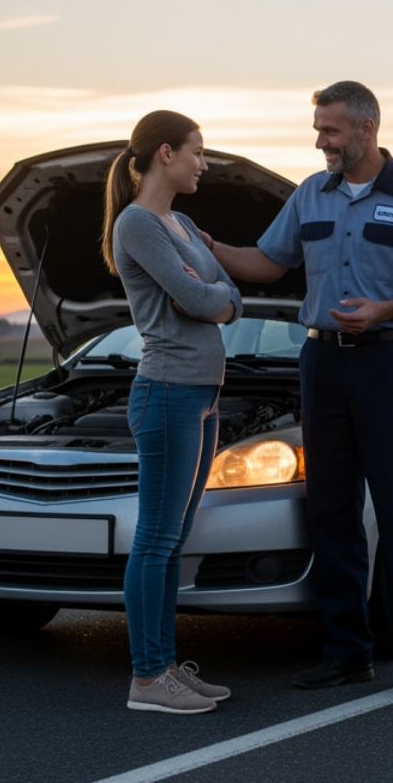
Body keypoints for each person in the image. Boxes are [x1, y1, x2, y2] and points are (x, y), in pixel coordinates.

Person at [204, 81, 393, 697]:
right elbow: (268, 262)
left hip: (389, 365)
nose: (320, 140)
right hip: (322, 365)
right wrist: (203, 247)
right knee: (332, 510)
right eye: (318, 129)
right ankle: (348, 650)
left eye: (330, 130)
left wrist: (385, 309)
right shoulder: (308, 196)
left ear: (366, 129)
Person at [101, 110, 243, 714]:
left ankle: (165, 666)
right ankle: (148, 676)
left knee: (175, 536)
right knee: (156, 538)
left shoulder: (179, 222)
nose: (203, 164)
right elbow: (196, 297)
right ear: (165, 153)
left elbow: (223, 291)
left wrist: (218, 298)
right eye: (197, 152)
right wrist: (216, 298)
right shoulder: (136, 223)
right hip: (167, 393)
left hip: (202, 397)